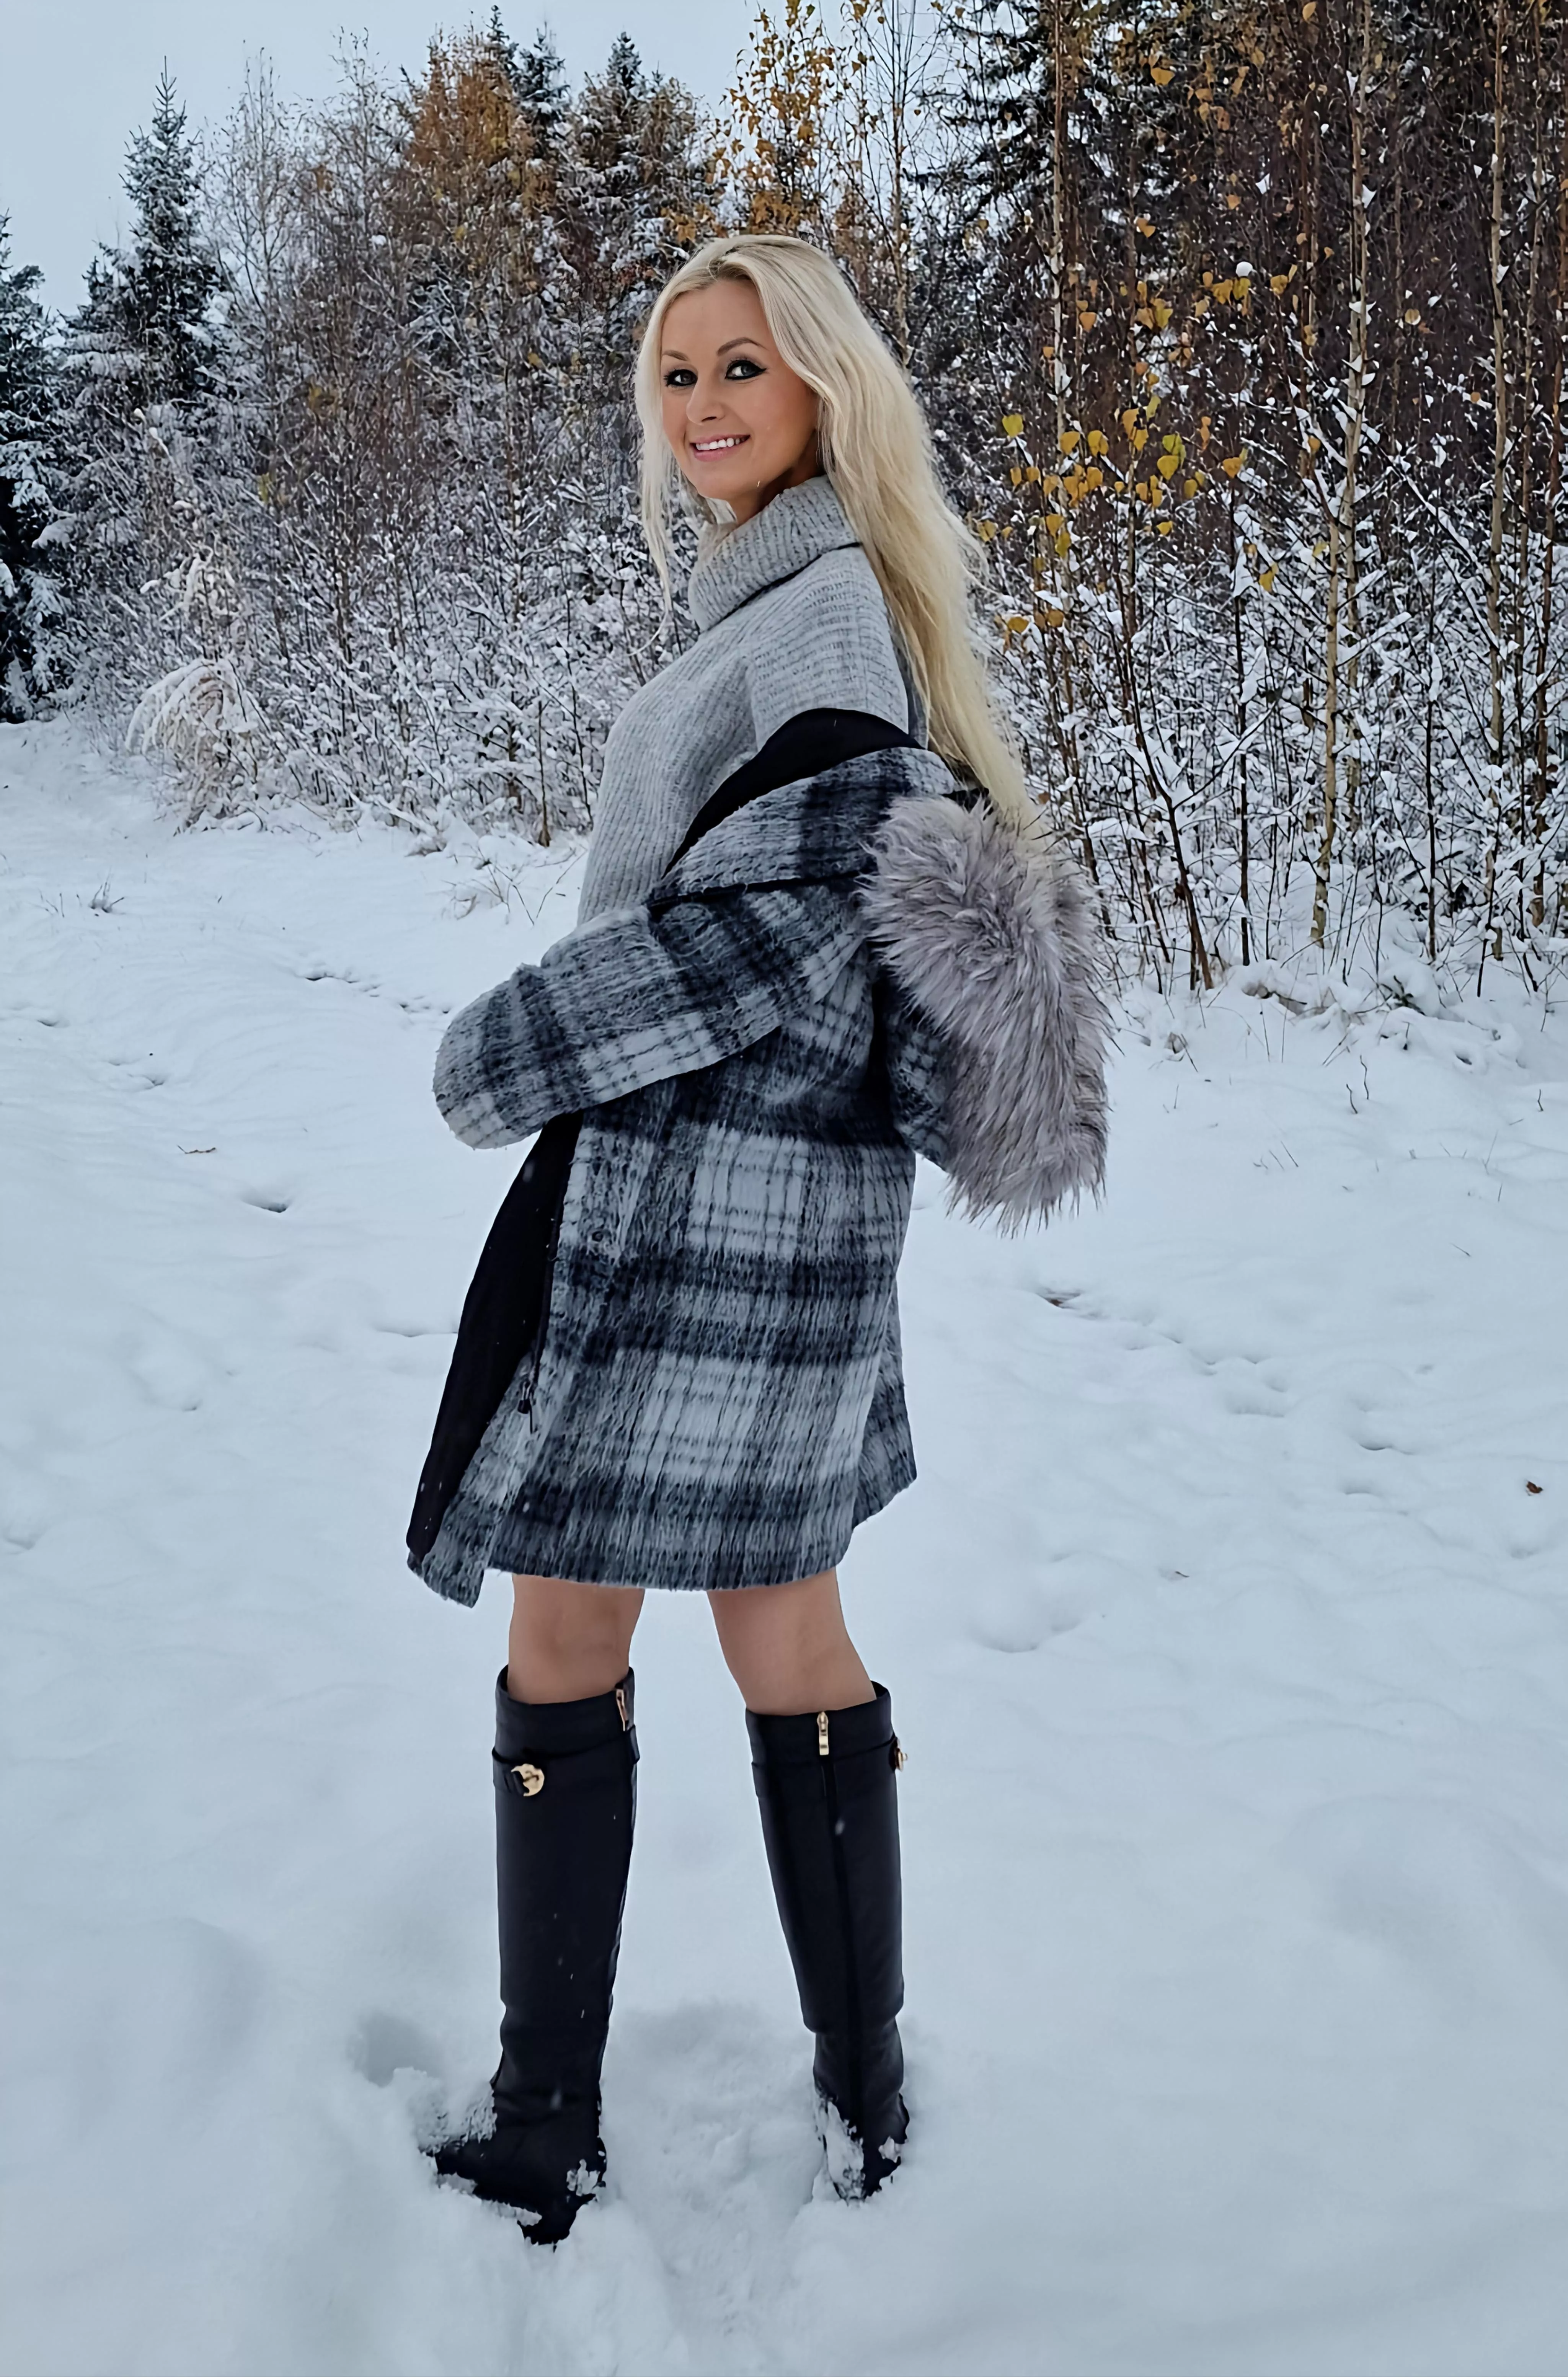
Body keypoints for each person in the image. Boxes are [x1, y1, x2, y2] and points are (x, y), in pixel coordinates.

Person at [407, 233, 1110, 2243]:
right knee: (774, 1627)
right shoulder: (808, 598)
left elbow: (773, 928)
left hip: (691, 1213)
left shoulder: (812, 623)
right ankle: (861, 2109)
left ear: (826, 391)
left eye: (748, 365)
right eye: (679, 372)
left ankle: (554, 2118)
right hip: (781, 1218)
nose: (707, 402)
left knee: (579, 1625)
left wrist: (512, 1051)